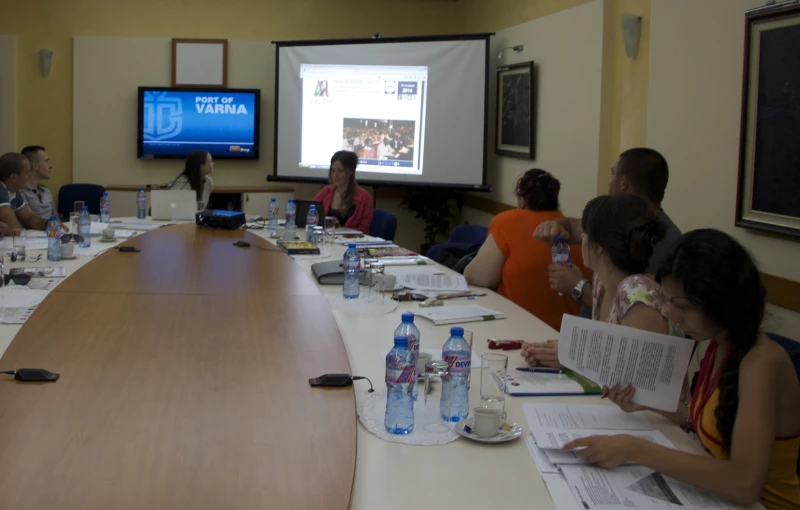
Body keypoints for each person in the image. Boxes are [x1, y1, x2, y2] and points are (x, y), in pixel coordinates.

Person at [564, 230, 800, 509]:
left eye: (682, 306)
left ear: (719, 300)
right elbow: (703, 420)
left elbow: (745, 482)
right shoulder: (717, 343)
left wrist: (635, 449)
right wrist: (647, 402)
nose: (671, 315)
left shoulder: (761, 363)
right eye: (668, 302)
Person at [521, 195, 680, 367]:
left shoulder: (638, 293)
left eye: (585, 234)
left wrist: (570, 355)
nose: (582, 239)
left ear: (598, 247)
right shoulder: (601, 281)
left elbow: (631, 373)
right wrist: (557, 352)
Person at [535, 148, 682, 309]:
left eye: (613, 174)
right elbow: (572, 226)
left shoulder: (665, 248)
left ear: (623, 183)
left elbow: (634, 309)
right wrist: (555, 226)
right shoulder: (616, 220)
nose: (609, 181)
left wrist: (577, 287)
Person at [463, 169, 589, 331]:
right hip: (567, 335)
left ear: (522, 201)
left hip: (515, 329)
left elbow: (479, 276)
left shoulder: (508, 221)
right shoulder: (576, 233)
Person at [313, 151, 373, 234]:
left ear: (350, 171)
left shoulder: (364, 198)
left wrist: (340, 227)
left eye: (340, 171)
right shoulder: (326, 191)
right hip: (327, 240)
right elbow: (312, 214)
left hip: (351, 243)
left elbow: (364, 231)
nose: (335, 175)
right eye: (333, 170)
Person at [0, 152, 48, 231]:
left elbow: (30, 218)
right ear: (13, 177)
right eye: (27, 172)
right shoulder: (1, 191)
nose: (30, 175)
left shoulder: (14, 191)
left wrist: (49, 223)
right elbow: (15, 229)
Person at [19, 146, 56, 221]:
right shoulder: (20, 192)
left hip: (52, 231)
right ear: (35, 166)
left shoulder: (46, 191)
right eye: (46, 161)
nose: (50, 166)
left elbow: (56, 217)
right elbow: (29, 221)